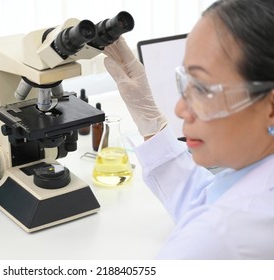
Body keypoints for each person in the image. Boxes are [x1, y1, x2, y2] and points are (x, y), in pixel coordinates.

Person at [103, 0, 274, 259]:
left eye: (204, 88)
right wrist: (148, 118)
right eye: (186, 83)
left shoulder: (221, 235)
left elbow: (218, 228)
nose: (181, 110)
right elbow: (207, 199)